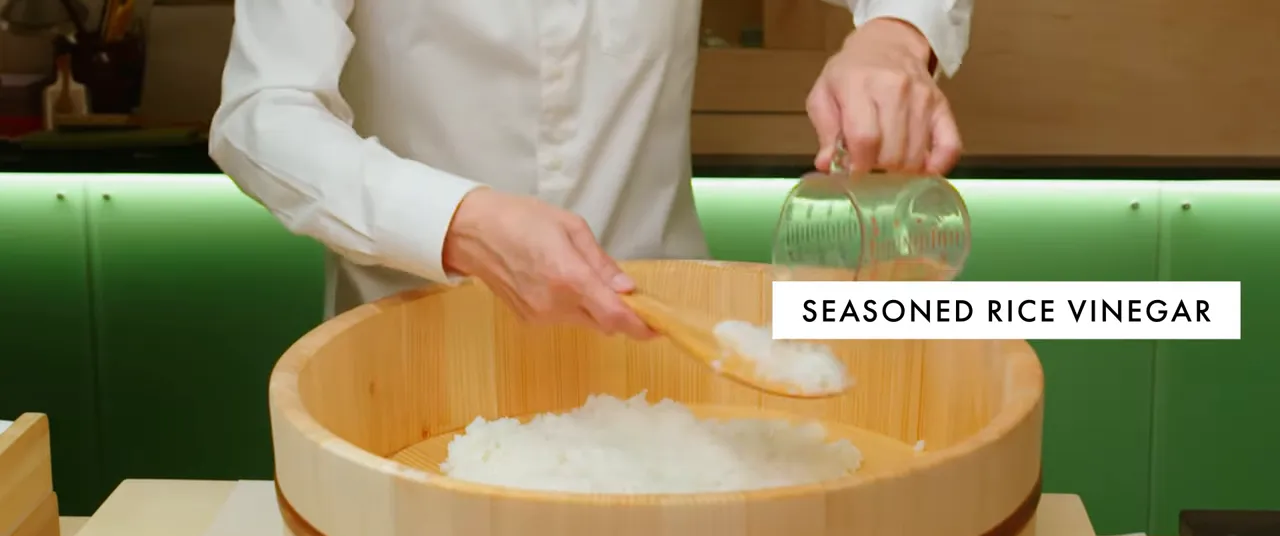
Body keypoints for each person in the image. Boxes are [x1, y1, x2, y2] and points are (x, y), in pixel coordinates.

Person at [209, 1, 973, 339]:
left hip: (667, 349)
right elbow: (263, 112)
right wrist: (459, 223)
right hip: (414, 348)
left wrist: (894, 37)